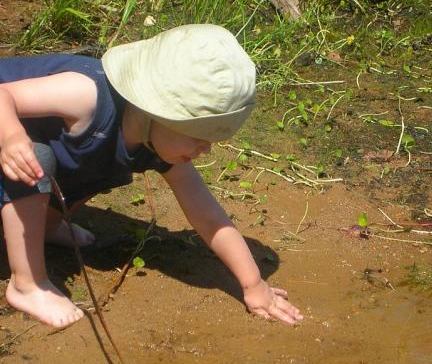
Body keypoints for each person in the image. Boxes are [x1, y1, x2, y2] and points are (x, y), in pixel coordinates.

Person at [0, 24, 303, 329]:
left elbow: (209, 217)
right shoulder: (86, 95)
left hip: (28, 164)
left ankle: (44, 227)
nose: (206, 149)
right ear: (157, 112)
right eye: (197, 136)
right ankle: (27, 285)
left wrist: (254, 285)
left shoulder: (156, 142)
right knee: (37, 156)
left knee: (99, 163)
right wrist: (12, 137)